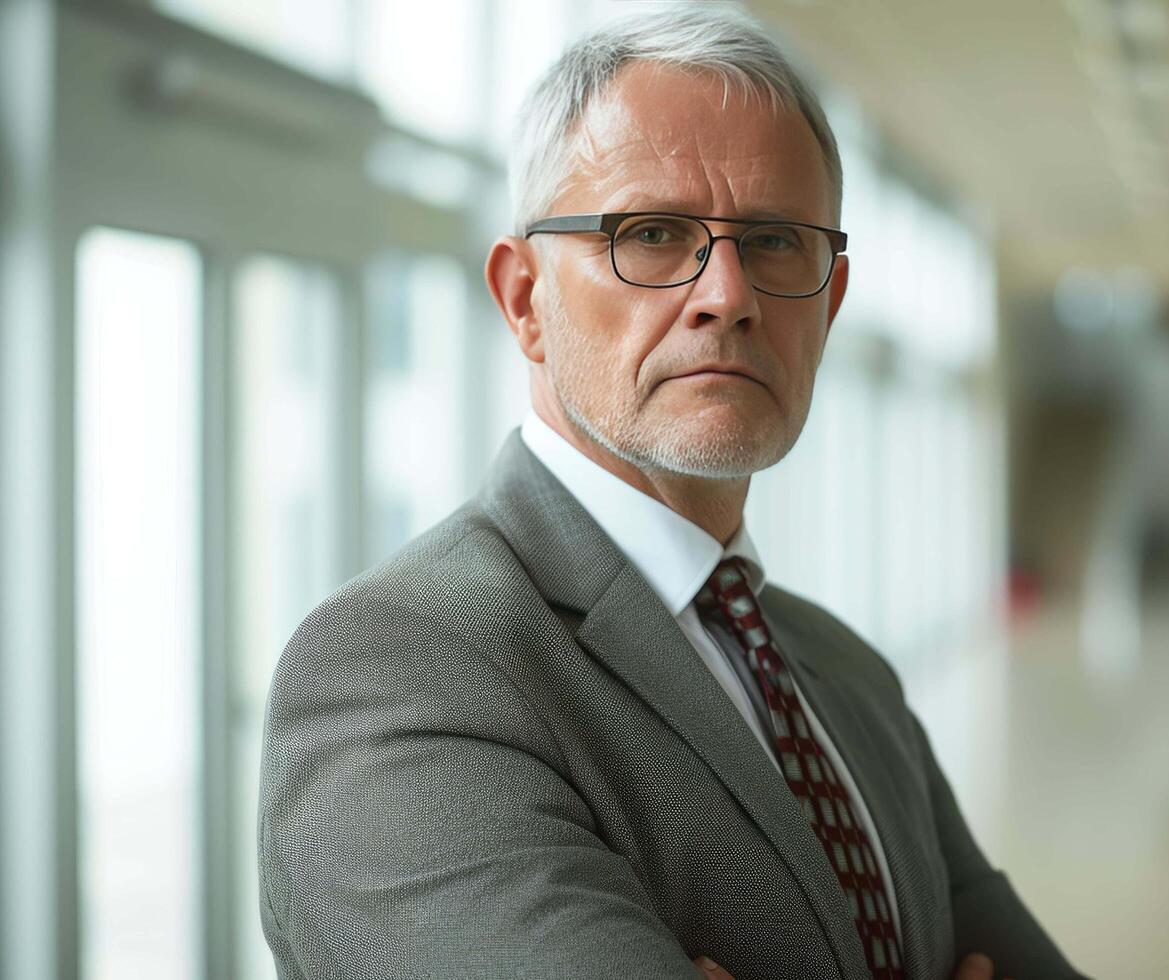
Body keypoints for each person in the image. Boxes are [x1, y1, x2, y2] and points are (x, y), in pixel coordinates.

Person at [257, 7, 1086, 979]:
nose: (726, 293)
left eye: (775, 241)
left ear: (831, 299)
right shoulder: (400, 669)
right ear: (524, 299)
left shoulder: (847, 672)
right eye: (650, 233)